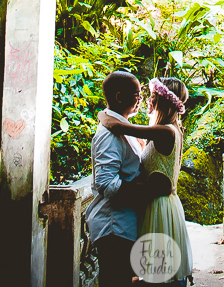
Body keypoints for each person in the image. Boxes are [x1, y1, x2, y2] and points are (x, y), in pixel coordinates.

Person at [98, 76, 193, 286]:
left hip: (159, 207)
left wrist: (102, 114)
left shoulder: (165, 131)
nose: (147, 100)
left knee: (158, 272)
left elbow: (117, 127)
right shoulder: (167, 130)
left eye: (152, 96)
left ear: (163, 101)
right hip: (157, 203)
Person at [86, 70, 171, 287]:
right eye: (136, 94)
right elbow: (106, 183)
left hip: (126, 223)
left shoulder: (120, 126)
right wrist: (148, 190)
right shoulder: (109, 135)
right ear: (119, 97)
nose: (141, 99)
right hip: (114, 225)